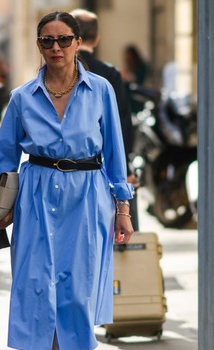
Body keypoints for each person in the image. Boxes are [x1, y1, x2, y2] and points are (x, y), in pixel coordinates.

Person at [0, 11, 134, 350]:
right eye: (47, 41)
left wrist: (123, 208)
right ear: (38, 46)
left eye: (64, 40)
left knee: (77, 293)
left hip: (87, 198)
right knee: (39, 295)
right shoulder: (22, 97)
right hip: (35, 198)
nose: (56, 49)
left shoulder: (100, 89)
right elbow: (2, 158)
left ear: (78, 42)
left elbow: (116, 154)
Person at [70, 8, 140, 230]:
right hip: (98, 165)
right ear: (97, 38)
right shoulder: (108, 73)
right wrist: (125, 167)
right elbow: (121, 122)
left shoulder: (56, 70)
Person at [120, 44, 149, 114]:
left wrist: (129, 77)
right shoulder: (129, 66)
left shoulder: (141, 67)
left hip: (137, 95)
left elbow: (139, 80)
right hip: (128, 95)